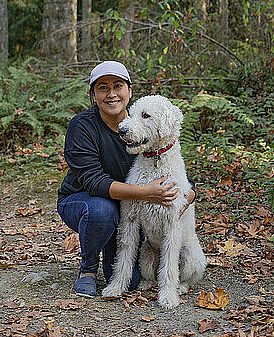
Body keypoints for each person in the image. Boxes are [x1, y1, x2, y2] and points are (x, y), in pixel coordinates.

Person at [57, 61, 196, 297]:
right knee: (102, 210)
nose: (111, 94)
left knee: (133, 282)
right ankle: (88, 269)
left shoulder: (144, 128)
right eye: (102, 88)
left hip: (123, 203)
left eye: (117, 86)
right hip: (85, 200)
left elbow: (174, 169)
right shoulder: (82, 126)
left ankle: (151, 279)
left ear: (129, 91)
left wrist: (187, 195)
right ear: (93, 95)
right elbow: (94, 182)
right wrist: (147, 193)